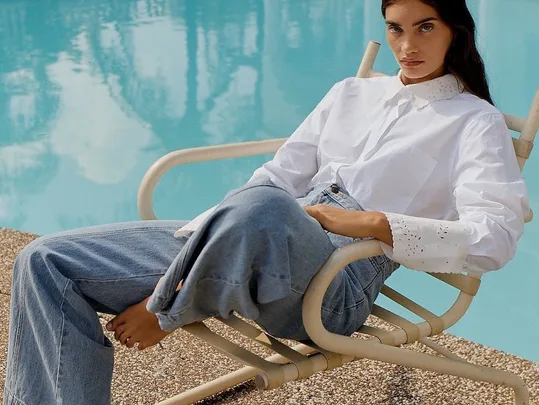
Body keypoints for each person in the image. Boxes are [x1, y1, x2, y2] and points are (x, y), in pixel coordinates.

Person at [4, 0, 529, 404]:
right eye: (396, 27)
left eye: (425, 27)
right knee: (43, 262)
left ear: (456, 31)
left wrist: (367, 222)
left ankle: (167, 308)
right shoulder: (351, 92)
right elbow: (277, 176)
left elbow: (496, 238)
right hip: (254, 237)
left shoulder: (473, 122)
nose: (407, 44)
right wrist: (218, 224)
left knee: (270, 208)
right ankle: (189, 277)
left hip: (334, 283)